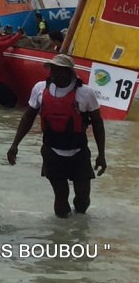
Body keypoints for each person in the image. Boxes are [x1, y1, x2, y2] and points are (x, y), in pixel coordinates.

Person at [6, 54, 107, 217]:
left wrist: (101, 155)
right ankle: (61, 236)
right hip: (51, 151)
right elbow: (28, 117)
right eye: (51, 69)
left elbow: (97, 123)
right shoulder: (40, 88)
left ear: (69, 72)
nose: (53, 73)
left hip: (78, 152)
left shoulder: (85, 92)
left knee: (82, 197)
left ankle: (79, 228)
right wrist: (14, 145)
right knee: (61, 196)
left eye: (58, 70)